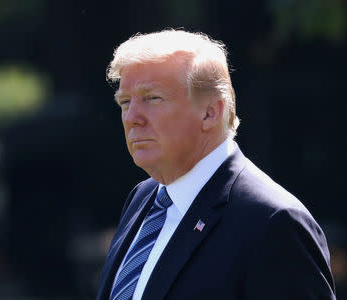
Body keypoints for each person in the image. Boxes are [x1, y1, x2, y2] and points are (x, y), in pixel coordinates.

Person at [96, 29, 336, 300]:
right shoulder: (143, 199)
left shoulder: (274, 222)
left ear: (210, 112)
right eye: (125, 102)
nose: (133, 117)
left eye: (152, 98)